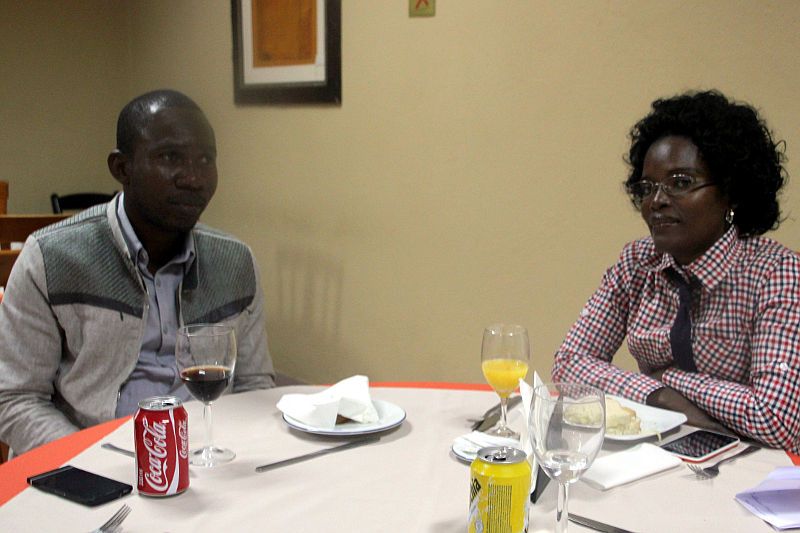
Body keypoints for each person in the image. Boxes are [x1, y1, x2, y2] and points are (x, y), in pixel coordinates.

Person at [0, 89, 275, 455]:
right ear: (122, 168)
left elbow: (255, 385)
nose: (193, 178)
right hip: (87, 459)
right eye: (170, 157)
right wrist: (94, 459)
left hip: (205, 457)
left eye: (205, 159)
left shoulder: (234, 261)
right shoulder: (51, 258)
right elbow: (15, 398)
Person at [552, 90, 800, 453]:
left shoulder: (777, 274)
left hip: (752, 467)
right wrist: (658, 395)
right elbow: (569, 364)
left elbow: (777, 419)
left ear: (731, 192)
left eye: (681, 182)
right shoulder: (637, 262)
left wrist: (671, 380)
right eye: (647, 188)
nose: (657, 201)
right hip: (660, 457)